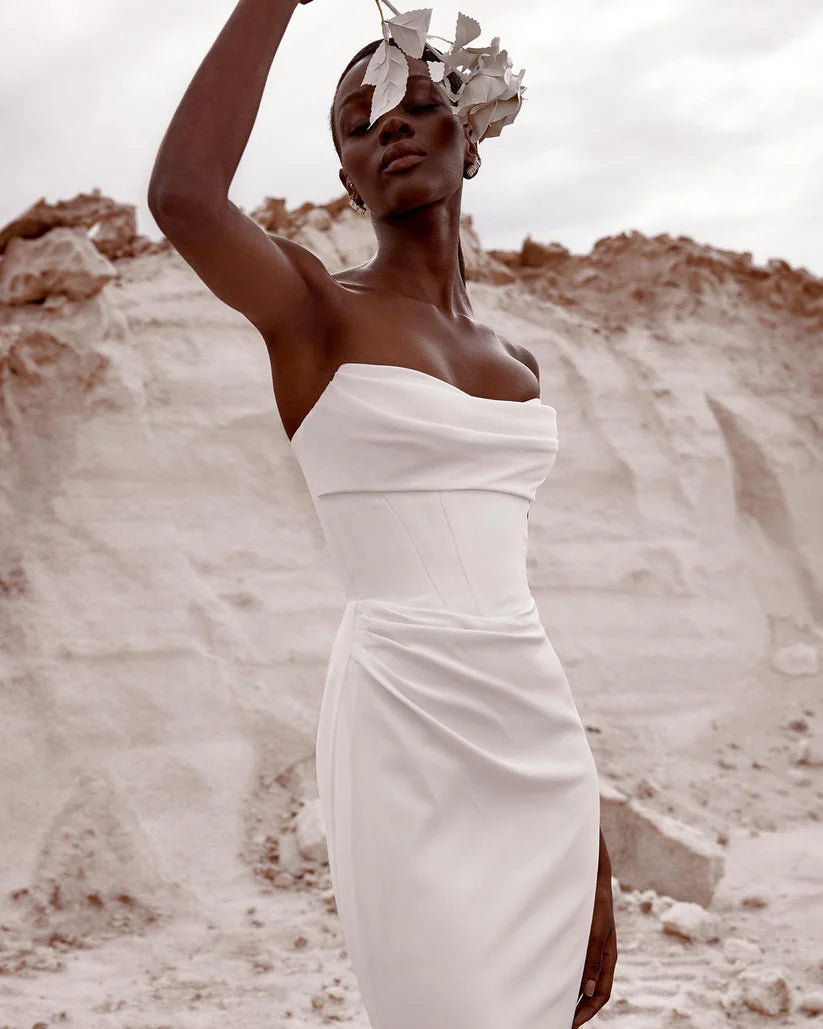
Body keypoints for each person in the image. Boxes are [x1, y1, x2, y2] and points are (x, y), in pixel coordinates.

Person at [147, 1, 617, 1026]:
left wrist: (592, 843)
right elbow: (183, 196)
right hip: (402, 720)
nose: (389, 125)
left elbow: (511, 595)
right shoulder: (315, 313)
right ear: (346, 177)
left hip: (536, 741)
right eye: (358, 123)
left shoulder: (520, 366)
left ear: (470, 141)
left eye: (414, 101)